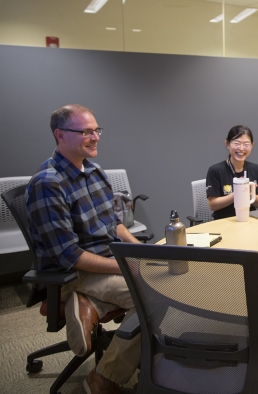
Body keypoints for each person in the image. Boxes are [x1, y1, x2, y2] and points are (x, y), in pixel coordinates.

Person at [26, 104, 141, 393]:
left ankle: (90, 304)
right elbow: (69, 255)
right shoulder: (48, 183)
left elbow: (114, 225)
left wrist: (142, 252)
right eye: (86, 132)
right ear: (60, 135)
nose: (95, 137)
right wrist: (127, 265)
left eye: (96, 130)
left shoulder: (95, 171)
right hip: (75, 270)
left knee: (163, 280)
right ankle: (104, 378)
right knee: (155, 299)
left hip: (104, 260)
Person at [206, 125, 258, 220]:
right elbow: (212, 205)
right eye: (237, 143)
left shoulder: (256, 169)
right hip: (224, 220)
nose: (242, 148)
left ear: (252, 146)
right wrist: (239, 192)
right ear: (227, 144)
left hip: (249, 218)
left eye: (246, 144)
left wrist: (250, 192)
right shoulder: (215, 170)